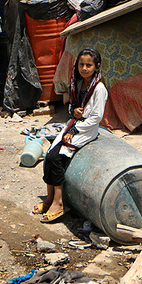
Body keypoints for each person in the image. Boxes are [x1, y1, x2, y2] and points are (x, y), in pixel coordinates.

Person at [33, 48, 108, 223]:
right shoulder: (77, 83)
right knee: (50, 155)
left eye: (89, 65)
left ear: (97, 66)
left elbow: (96, 117)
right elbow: (71, 107)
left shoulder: (99, 88)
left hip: (86, 130)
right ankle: (49, 198)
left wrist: (74, 131)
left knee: (59, 157)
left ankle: (58, 203)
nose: (84, 68)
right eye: (81, 64)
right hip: (74, 124)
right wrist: (73, 112)